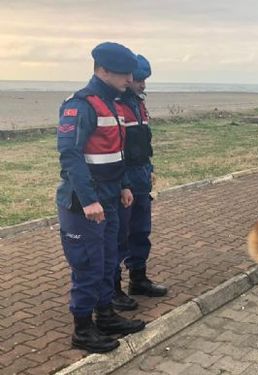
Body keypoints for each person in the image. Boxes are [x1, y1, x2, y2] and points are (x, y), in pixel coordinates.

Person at [56, 42, 146, 353]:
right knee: (89, 265)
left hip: (109, 196)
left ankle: (105, 315)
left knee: (109, 259)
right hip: (85, 203)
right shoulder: (81, 105)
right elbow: (70, 156)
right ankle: (82, 328)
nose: (128, 79)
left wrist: (122, 185)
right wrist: (90, 200)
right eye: (123, 74)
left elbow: (115, 152)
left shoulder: (113, 105)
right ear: (102, 70)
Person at [112, 54, 167, 312]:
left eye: (145, 80)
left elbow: (144, 141)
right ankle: (113, 289)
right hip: (122, 177)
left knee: (140, 230)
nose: (143, 85)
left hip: (141, 174)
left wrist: (150, 169)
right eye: (140, 80)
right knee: (118, 234)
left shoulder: (138, 104)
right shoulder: (113, 104)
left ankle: (138, 278)